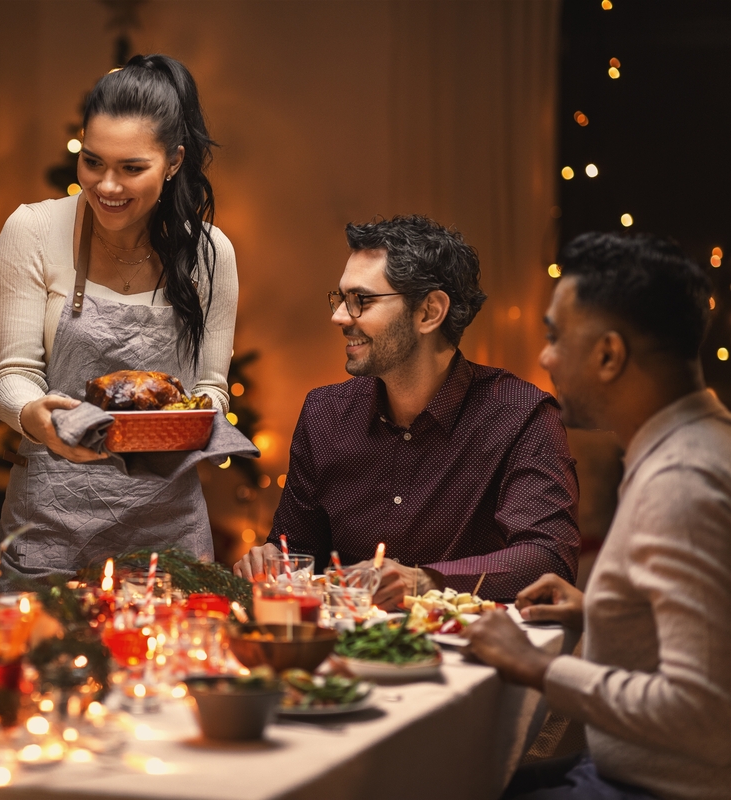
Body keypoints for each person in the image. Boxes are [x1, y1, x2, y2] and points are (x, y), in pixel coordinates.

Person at [464, 232, 731, 800]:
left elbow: (702, 711)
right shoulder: (704, 441)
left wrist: (536, 668)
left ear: (609, 354)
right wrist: (606, 611)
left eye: (556, 337)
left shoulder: (681, 482)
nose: (544, 357)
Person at [235, 215, 581, 608]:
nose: (339, 317)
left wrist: (424, 581)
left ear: (429, 312)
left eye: (361, 300)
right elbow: (296, 551)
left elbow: (548, 558)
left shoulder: (521, 416)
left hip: (472, 655)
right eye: (341, 298)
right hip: (346, 653)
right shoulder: (325, 414)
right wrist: (272, 560)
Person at [0, 54, 238, 581]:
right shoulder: (32, 230)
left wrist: (182, 424)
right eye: (93, 161)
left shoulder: (210, 254)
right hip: (50, 525)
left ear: (173, 162)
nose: (106, 186)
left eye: (131, 168)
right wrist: (33, 415)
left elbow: (212, 389)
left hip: (168, 534)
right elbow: (13, 376)